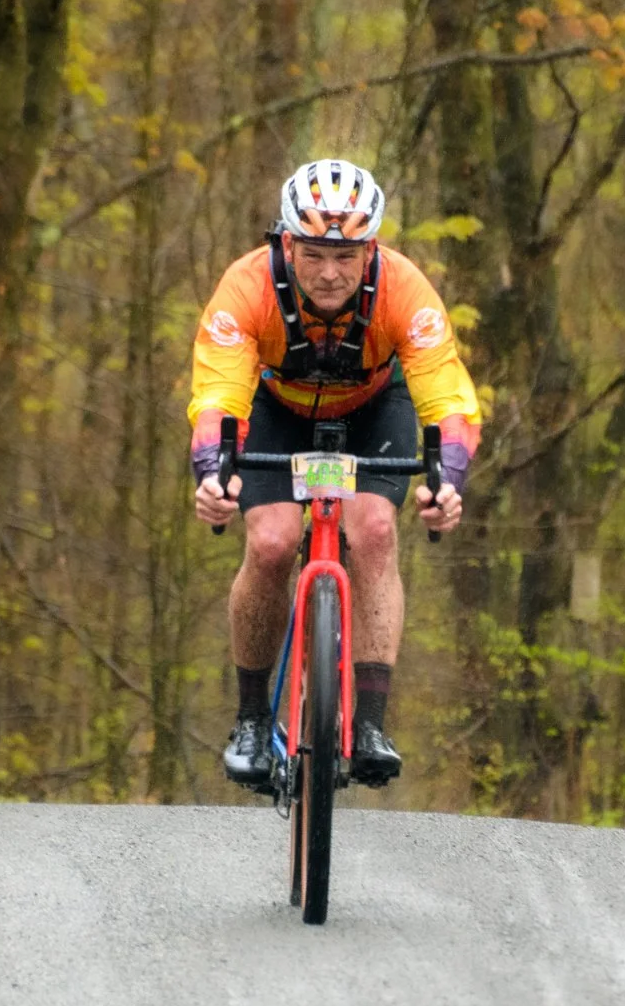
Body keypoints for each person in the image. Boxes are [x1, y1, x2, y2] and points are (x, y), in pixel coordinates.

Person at [188, 158, 481, 790]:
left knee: (373, 530)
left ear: (371, 248)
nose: (329, 273)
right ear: (287, 242)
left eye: (347, 256)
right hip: (274, 410)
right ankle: (248, 719)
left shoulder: (405, 290)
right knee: (268, 544)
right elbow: (217, 396)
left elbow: (449, 400)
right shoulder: (245, 288)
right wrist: (213, 474)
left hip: (377, 407)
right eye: (316, 252)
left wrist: (446, 481)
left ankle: (370, 723)